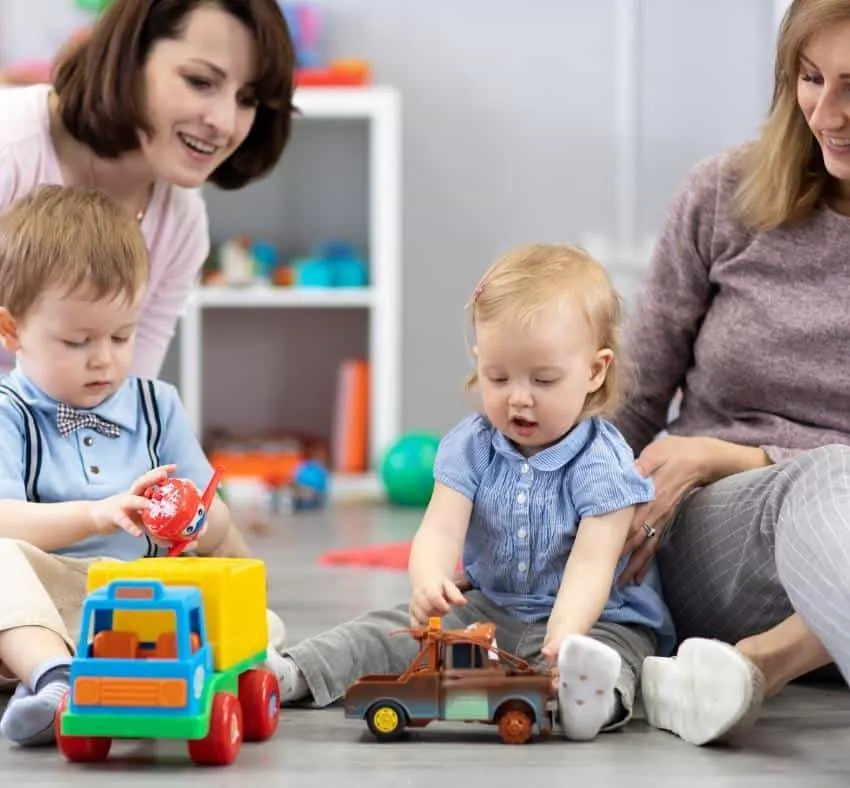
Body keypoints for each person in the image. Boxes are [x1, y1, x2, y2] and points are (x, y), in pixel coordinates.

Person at [614, 0, 850, 783]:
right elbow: (630, 403)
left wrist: (733, 452)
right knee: (832, 475)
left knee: (846, 478)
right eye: (809, 77)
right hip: (712, 536)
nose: (825, 113)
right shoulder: (723, 194)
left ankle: (764, 665)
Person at [264, 243, 674, 741]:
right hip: (489, 609)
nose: (518, 397)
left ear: (594, 370)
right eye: (497, 377)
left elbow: (592, 563)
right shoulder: (472, 445)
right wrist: (428, 580)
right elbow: (440, 526)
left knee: (615, 654)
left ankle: (590, 701)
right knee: (387, 630)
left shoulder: (602, 460)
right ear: (479, 361)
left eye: (543, 380)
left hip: (595, 617)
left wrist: (565, 630)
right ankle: (294, 673)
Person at [0, 184, 259, 747]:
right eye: (77, 340)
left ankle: (262, 660)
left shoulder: (154, 403)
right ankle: (55, 678)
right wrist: (95, 515)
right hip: (48, 598)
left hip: (148, 599)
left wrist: (198, 524)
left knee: (241, 601)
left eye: (122, 335)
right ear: (12, 330)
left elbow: (211, 513)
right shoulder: (9, 411)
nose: (104, 358)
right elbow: (4, 520)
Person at [0, 0, 296, 379]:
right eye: (200, 82)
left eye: (247, 99)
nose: (223, 123)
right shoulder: (10, 150)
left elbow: (126, 399)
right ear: (130, 59)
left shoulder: (181, 225)